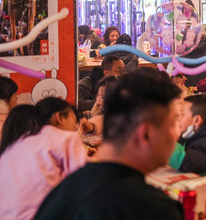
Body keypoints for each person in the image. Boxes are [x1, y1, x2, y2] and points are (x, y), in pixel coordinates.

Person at [35, 68, 184, 220]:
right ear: (146, 134)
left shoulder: (66, 186)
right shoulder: (154, 208)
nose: (178, 132)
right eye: (173, 123)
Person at [0, 98, 89, 220]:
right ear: (59, 118)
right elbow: (84, 183)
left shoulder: (20, 141)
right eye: (74, 121)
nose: (75, 127)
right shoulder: (67, 138)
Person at [170, 95, 206, 178]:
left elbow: (187, 165)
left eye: (182, 115)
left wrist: (170, 139)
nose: (177, 119)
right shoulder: (190, 133)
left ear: (197, 120)